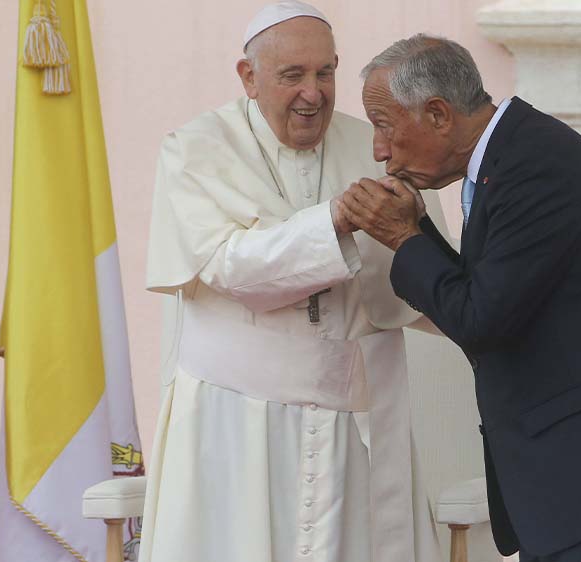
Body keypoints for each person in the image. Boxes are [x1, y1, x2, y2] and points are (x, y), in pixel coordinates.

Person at [340, 34, 581, 562]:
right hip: (571, 478)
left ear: (440, 114)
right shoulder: (509, 156)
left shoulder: (535, 165)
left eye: (384, 126)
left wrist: (405, 239)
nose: (378, 150)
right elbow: (487, 295)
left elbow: (481, 320)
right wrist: (418, 227)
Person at [140, 4, 443, 562]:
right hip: (237, 426)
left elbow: (431, 275)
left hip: (360, 423)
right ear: (248, 77)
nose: (313, 93)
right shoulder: (194, 149)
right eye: (292, 75)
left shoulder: (376, 149)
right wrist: (335, 221)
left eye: (325, 73)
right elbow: (229, 266)